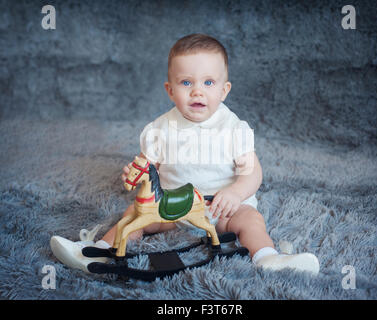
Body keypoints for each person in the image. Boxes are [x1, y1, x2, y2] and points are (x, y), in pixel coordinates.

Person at [51, 34, 319, 275]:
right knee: (133, 213)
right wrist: (133, 172)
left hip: (221, 208)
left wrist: (236, 193)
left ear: (224, 90)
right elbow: (149, 166)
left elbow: (252, 171)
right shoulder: (160, 129)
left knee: (251, 220)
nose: (197, 91)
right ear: (170, 90)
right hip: (171, 208)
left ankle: (267, 257)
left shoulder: (234, 129)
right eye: (186, 82)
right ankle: (98, 250)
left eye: (209, 82)